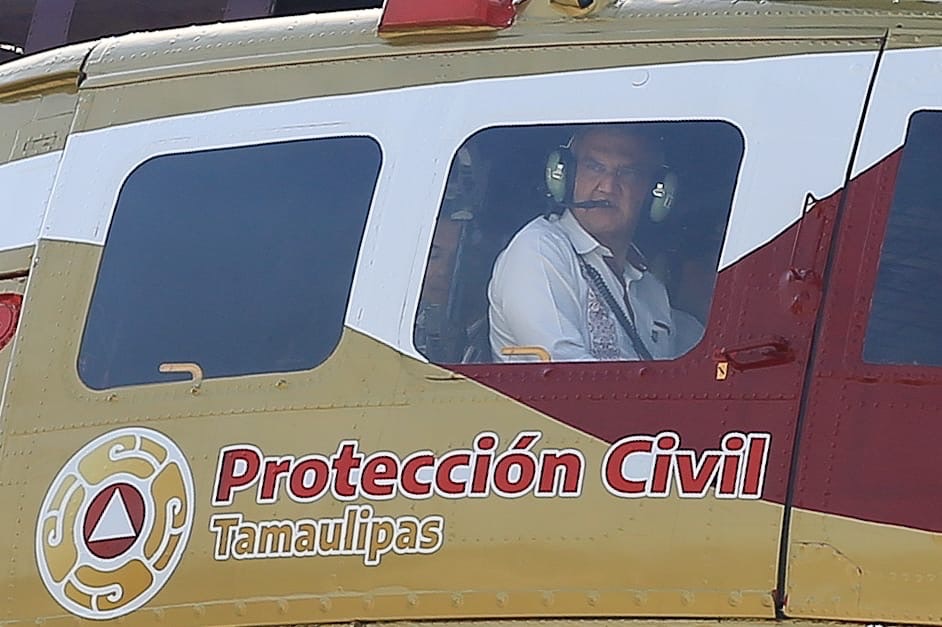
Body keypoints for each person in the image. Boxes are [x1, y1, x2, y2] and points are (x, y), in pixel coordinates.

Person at [487, 124, 703, 362]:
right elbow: (562, 370)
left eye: (628, 173)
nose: (607, 187)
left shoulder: (651, 290)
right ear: (567, 176)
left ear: (655, 191)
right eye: (594, 167)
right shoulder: (539, 250)